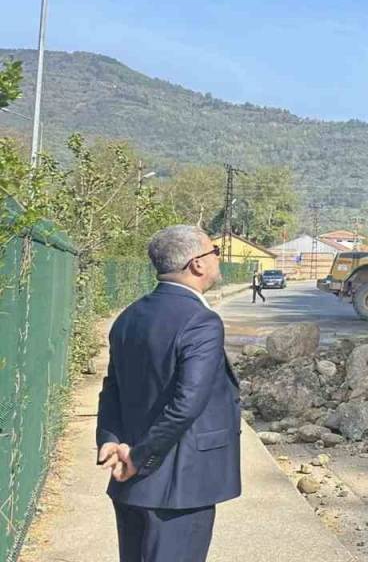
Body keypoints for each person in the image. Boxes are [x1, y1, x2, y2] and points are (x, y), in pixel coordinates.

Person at [96, 225, 241, 562]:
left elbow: (112, 388)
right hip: (180, 486)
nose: (218, 259)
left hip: (131, 485)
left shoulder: (129, 317)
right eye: (214, 252)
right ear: (197, 264)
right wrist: (139, 457)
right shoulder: (201, 321)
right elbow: (187, 403)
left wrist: (109, 438)